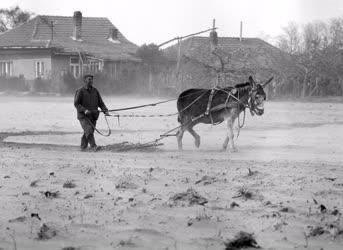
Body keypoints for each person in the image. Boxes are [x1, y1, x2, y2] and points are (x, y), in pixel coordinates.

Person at [74, 74, 109, 151]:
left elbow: (101, 103)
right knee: (89, 130)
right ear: (85, 81)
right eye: (89, 79)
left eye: (92, 79)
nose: (91, 81)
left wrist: (105, 110)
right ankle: (94, 146)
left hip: (93, 116)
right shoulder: (80, 91)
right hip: (83, 117)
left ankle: (83, 148)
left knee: (88, 132)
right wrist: (84, 110)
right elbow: (76, 104)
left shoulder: (95, 91)